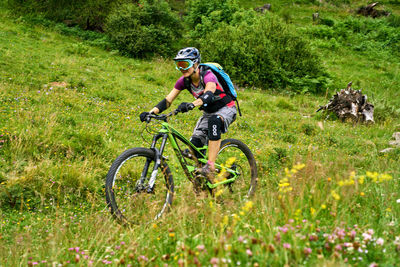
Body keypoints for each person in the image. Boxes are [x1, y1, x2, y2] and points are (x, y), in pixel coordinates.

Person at [139, 47, 237, 182]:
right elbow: (168, 100)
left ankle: (210, 166)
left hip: (226, 108)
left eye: (185, 64)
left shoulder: (208, 75)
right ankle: (204, 182)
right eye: (179, 65)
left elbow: (208, 94)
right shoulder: (184, 81)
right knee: (193, 148)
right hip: (208, 112)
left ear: (195, 63)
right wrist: (151, 112)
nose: (182, 68)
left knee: (214, 121)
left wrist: (192, 104)